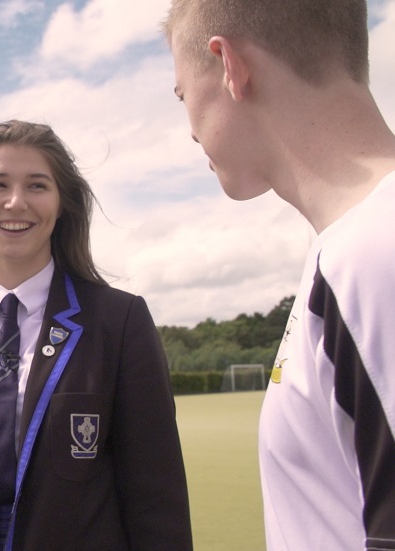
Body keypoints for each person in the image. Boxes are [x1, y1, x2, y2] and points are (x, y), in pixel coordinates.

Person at [0, 120, 192, 550]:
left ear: (61, 204)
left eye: (38, 186)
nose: (16, 202)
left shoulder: (120, 322)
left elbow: (156, 495)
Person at [164, 1, 395, 549]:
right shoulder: (346, 246)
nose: (190, 128)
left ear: (229, 66)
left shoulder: (374, 253)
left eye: (181, 95)